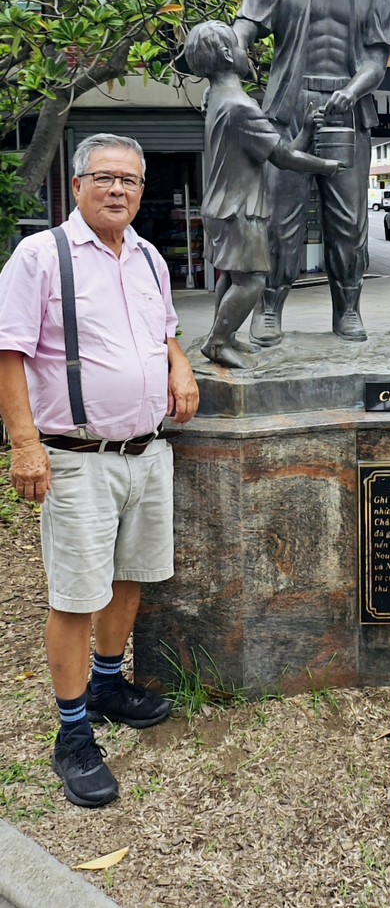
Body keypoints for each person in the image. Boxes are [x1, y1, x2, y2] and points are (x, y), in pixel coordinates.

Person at [0, 134, 200, 807]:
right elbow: (10, 353)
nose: (118, 190)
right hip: (77, 457)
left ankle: (109, 684)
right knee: (75, 596)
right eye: (104, 177)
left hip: (146, 451)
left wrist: (179, 363)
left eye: (131, 181)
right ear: (78, 183)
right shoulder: (41, 255)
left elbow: (163, 328)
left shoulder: (145, 256)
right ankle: (73, 733)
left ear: (143, 191)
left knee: (129, 578)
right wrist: (24, 446)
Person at [233, 0, 390, 345]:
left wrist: (353, 88)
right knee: (281, 218)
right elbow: (246, 25)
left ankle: (348, 307)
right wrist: (233, 52)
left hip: (347, 112)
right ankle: (270, 310)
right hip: (288, 110)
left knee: (347, 220)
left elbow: (377, 58)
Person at [182, 21, 341, 368]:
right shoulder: (241, 106)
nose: (247, 52)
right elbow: (283, 158)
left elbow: (273, 150)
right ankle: (218, 341)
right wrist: (327, 165)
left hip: (222, 205)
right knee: (253, 281)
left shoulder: (217, 99)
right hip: (240, 209)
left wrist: (307, 132)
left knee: (231, 276)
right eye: (241, 46)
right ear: (227, 54)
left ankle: (224, 335)